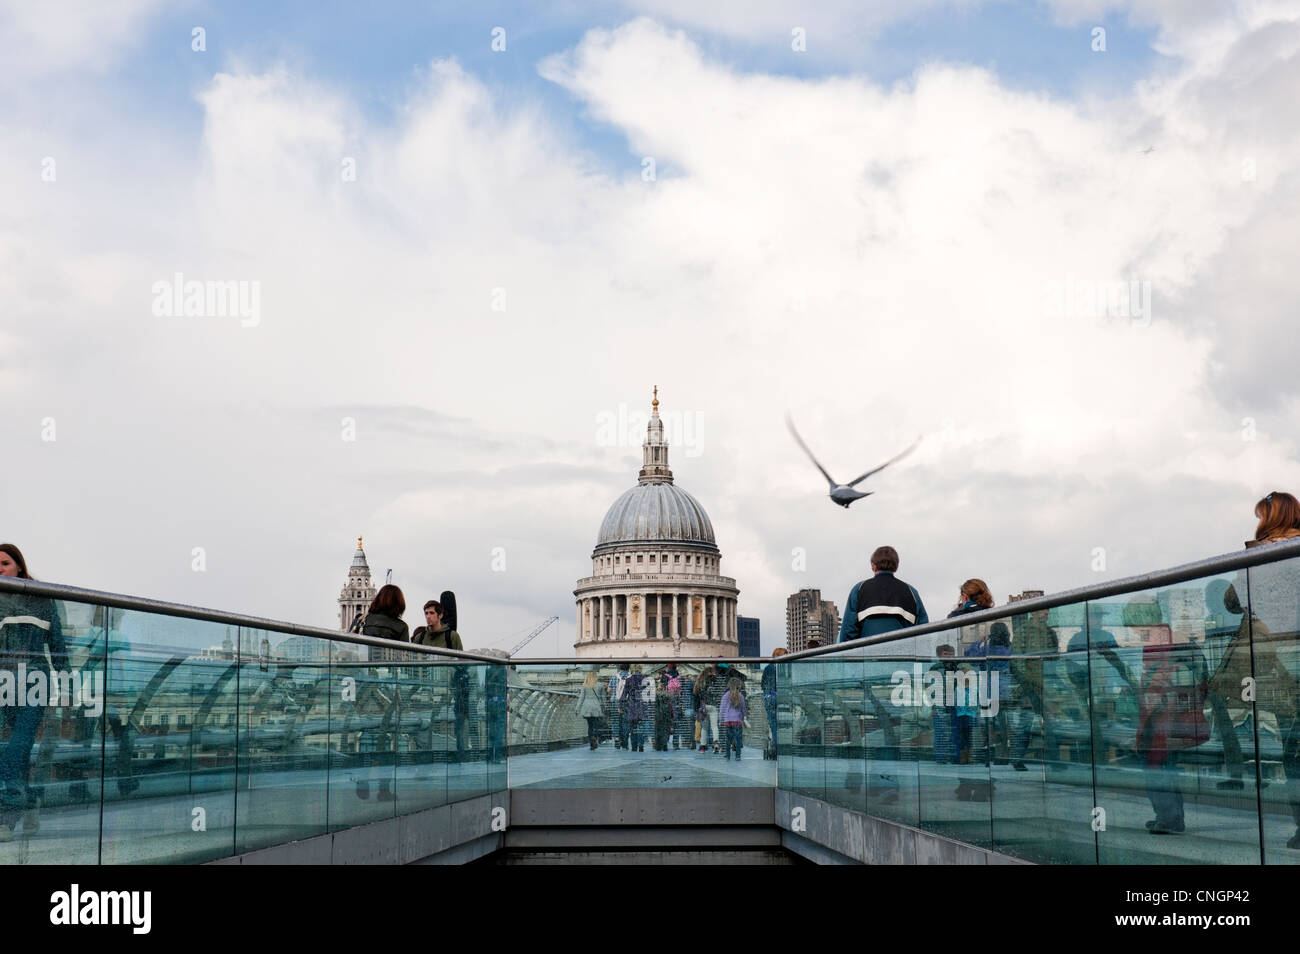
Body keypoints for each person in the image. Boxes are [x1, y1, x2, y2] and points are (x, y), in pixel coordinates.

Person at [0, 545, 68, 841]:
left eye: (4, 563)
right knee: (20, 751)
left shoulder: (40, 598)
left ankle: (6, 820)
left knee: (15, 749)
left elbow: (58, 647)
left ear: (19, 567)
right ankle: (31, 803)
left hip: (34, 685)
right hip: (3, 685)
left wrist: (66, 691)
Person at [1132, 602, 1209, 835]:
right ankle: (1169, 817)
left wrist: (1147, 706)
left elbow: (1157, 683)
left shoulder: (1161, 642)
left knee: (1156, 767)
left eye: (1135, 627)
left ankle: (1169, 818)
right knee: (1164, 766)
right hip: (1169, 717)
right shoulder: (1176, 639)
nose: (1135, 633)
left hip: (1163, 721)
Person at [358, 584, 407, 800]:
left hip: (364, 686)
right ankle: (384, 789)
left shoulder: (364, 621)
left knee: (366, 733)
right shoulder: (400, 627)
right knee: (386, 736)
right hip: (388, 687)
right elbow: (406, 660)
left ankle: (362, 780)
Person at [839, 546, 929, 642]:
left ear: (873, 566)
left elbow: (848, 632)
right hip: (903, 655)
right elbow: (924, 632)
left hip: (868, 655)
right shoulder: (911, 592)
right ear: (896, 566)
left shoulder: (859, 590)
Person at [761, 649, 787, 759]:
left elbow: (763, 684)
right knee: (782, 724)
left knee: (774, 725)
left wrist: (767, 695)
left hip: (770, 698)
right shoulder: (785, 668)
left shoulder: (768, 668)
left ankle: (776, 747)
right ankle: (779, 747)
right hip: (782, 698)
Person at [620, 665, 649, 752]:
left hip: (631, 704)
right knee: (641, 726)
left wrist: (620, 705)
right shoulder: (645, 680)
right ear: (641, 669)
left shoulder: (629, 680)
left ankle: (634, 746)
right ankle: (641, 744)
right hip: (641, 704)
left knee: (633, 727)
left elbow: (624, 694)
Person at [719, 677, 748, 761]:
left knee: (728, 739)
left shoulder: (725, 695)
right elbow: (743, 709)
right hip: (737, 720)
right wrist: (743, 718)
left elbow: (722, 709)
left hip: (728, 721)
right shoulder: (740, 696)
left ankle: (727, 755)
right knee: (738, 739)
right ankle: (737, 756)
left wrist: (721, 720)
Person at [578, 671, 605, 750]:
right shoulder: (600, 685)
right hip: (596, 706)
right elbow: (603, 698)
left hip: (587, 708)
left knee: (590, 726)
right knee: (596, 725)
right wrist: (604, 706)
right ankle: (595, 737)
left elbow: (581, 698)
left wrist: (577, 708)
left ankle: (591, 742)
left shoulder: (585, 686)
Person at [694, 667, 716, 753]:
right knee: (714, 726)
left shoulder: (699, 683)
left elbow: (696, 697)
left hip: (703, 707)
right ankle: (715, 742)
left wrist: (697, 709)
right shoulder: (714, 681)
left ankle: (702, 746)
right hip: (713, 706)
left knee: (704, 728)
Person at [609, 663, 631, 749]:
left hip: (615, 701)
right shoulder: (630, 677)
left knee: (615, 721)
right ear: (628, 668)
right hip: (626, 702)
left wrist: (614, 693)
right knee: (625, 722)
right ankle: (625, 741)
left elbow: (609, 689)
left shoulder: (615, 676)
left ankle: (617, 739)